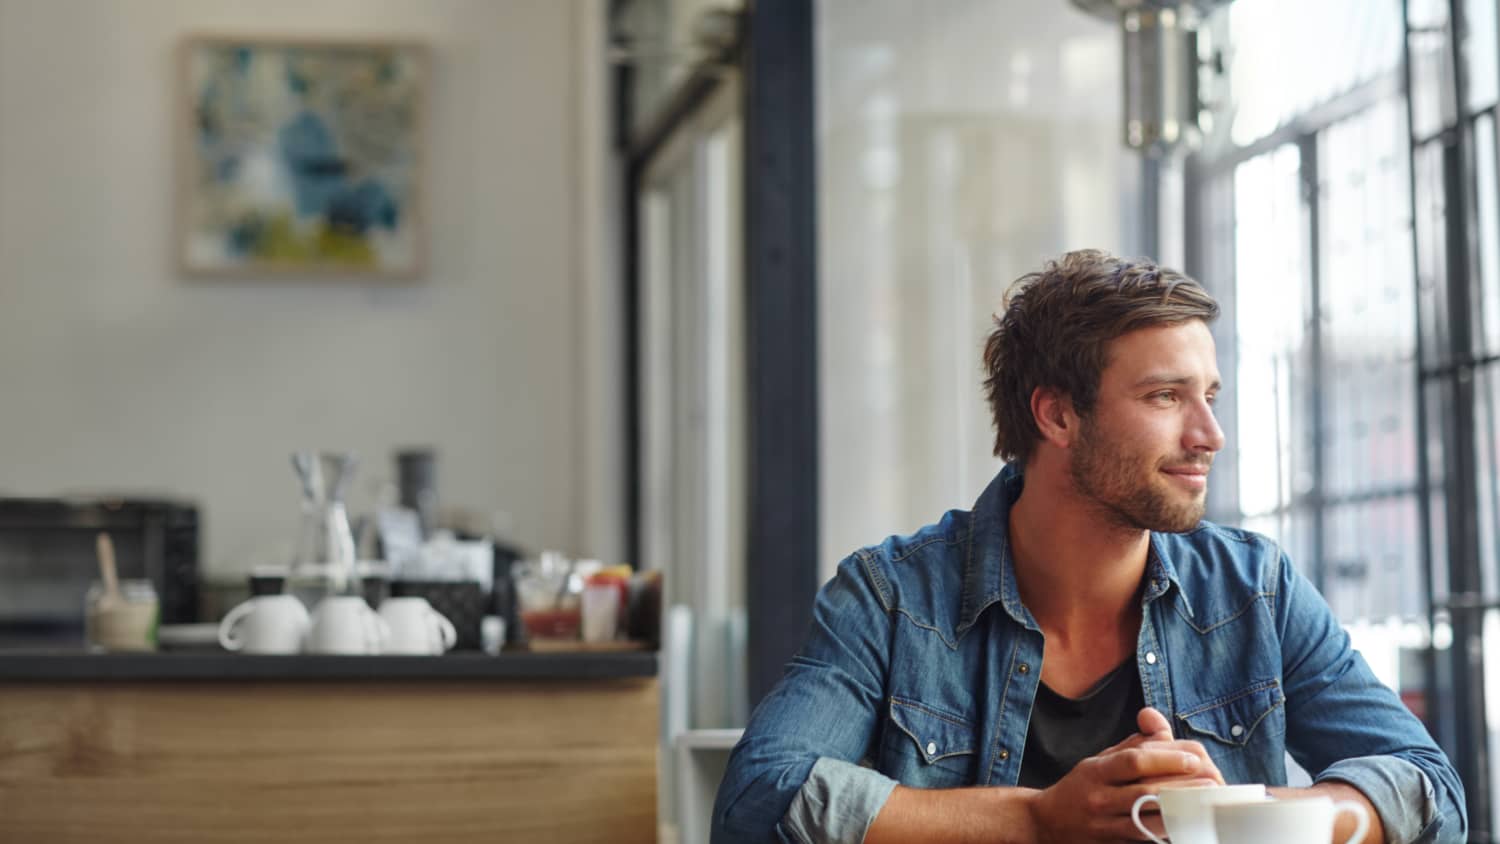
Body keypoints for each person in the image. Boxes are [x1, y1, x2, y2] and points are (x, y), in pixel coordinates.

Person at [711, 250, 1466, 843]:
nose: (1209, 435)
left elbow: (1430, 788)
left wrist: (1242, 818)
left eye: (1210, 396)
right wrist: (1037, 822)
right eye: (1166, 397)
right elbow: (759, 800)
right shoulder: (890, 597)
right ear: (1056, 415)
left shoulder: (1254, 588)